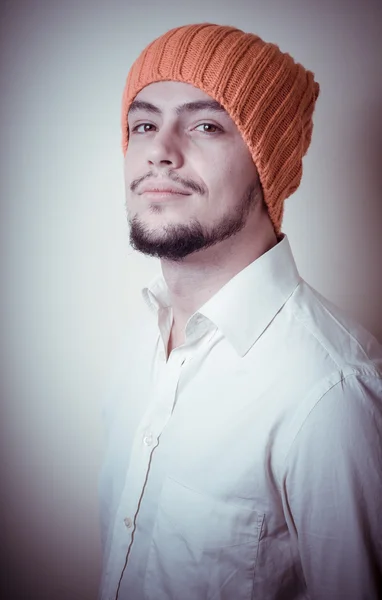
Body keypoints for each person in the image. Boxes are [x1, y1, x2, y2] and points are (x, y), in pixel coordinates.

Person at [98, 23, 382, 600]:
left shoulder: (331, 392)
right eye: (144, 125)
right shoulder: (141, 343)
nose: (159, 150)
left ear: (268, 164)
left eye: (205, 125)